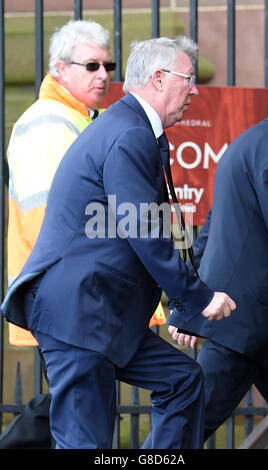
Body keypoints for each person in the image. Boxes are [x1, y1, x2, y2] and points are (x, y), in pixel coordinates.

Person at [1, 36, 236, 449]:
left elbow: (160, 227)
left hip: (104, 313)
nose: (196, 90)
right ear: (159, 79)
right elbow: (143, 228)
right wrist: (198, 297)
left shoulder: (134, 129)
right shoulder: (129, 133)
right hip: (80, 313)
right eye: (188, 79)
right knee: (83, 443)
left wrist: (185, 301)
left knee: (182, 380)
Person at [1, 19, 114, 449]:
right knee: (79, 417)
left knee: (79, 411)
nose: (103, 74)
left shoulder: (82, 120)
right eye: (91, 65)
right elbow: (49, 223)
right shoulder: (48, 123)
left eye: (108, 64)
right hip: (68, 298)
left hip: (80, 298)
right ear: (60, 70)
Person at [168, 81, 268, 441]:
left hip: (250, 321)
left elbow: (212, 229)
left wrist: (187, 305)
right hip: (247, 323)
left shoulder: (249, 142)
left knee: (186, 427)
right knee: (184, 431)